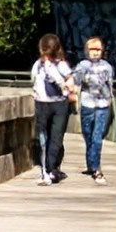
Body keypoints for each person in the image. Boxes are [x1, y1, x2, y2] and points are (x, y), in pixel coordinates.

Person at [26, 32, 78, 184]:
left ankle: (51, 168)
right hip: (44, 103)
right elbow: (34, 81)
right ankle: (47, 170)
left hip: (58, 104)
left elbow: (70, 82)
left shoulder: (61, 65)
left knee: (56, 137)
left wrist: (68, 89)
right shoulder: (38, 65)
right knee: (45, 137)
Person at [73, 36, 116, 177]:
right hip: (87, 103)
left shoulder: (107, 66)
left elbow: (110, 85)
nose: (95, 52)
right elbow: (76, 83)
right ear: (87, 51)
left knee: (97, 136)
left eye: (98, 49)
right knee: (87, 135)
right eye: (92, 49)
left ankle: (97, 167)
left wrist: (111, 101)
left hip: (102, 104)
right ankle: (91, 164)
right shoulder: (82, 66)